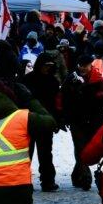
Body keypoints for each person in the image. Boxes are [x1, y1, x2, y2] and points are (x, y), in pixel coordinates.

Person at [61, 55, 103, 190]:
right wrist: (65, 117)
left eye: (85, 65)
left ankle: (76, 174)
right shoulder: (71, 79)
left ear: (91, 65)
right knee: (80, 148)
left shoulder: (100, 80)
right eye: (80, 65)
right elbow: (63, 98)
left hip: (96, 120)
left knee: (90, 148)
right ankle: (85, 178)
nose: (82, 68)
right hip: (77, 120)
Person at [21, 51, 62, 192]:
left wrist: (56, 120)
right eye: (45, 65)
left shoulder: (53, 82)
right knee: (27, 153)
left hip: (45, 122)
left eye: (50, 66)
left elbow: (57, 104)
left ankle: (48, 180)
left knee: (45, 153)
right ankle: (25, 181)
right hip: (29, 121)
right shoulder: (27, 80)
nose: (47, 68)